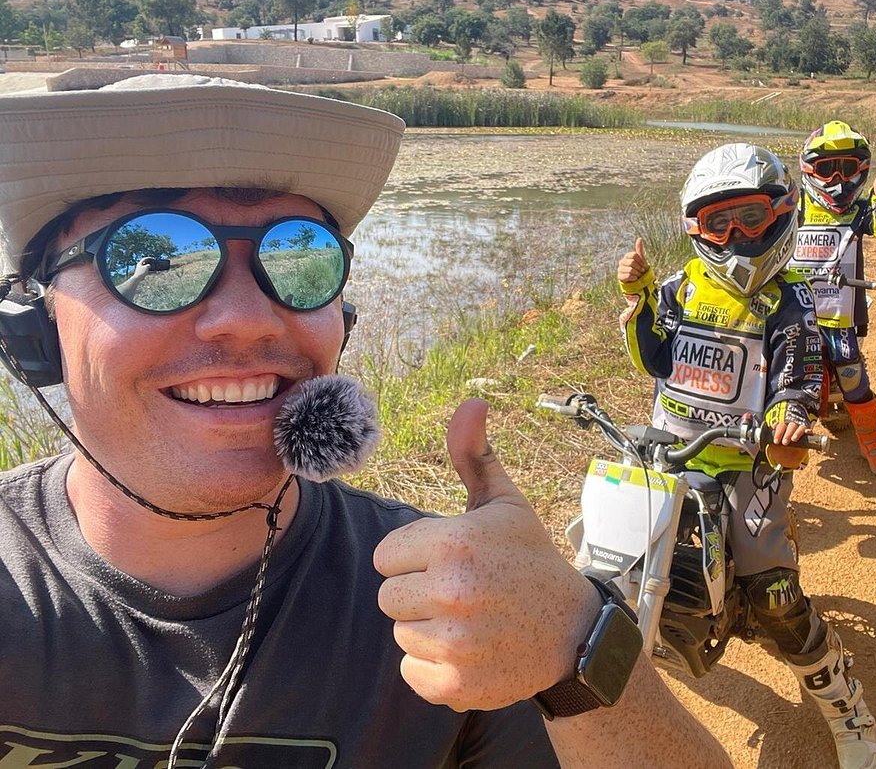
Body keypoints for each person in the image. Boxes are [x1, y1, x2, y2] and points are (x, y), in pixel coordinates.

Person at [0, 74, 732, 769]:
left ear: (342, 320)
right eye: (152, 257)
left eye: (299, 255)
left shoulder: (441, 598)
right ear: (35, 328)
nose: (249, 319)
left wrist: (576, 643)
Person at [617, 143, 876, 769]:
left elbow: (798, 377)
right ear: (696, 228)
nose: (736, 236)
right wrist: (641, 297)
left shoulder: (791, 301)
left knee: (771, 592)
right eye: (719, 223)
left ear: (780, 213)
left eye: (749, 217)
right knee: (615, 559)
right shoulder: (682, 288)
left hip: (747, 464)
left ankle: (844, 705)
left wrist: (788, 419)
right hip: (670, 453)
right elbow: (653, 358)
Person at [786, 120, 876, 476]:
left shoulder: (860, 210)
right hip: (795, 308)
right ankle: (784, 438)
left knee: (850, 371)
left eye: (846, 168)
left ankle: (872, 439)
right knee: (781, 370)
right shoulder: (796, 208)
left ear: (861, 170)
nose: (837, 178)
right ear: (810, 170)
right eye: (827, 168)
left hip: (841, 312)